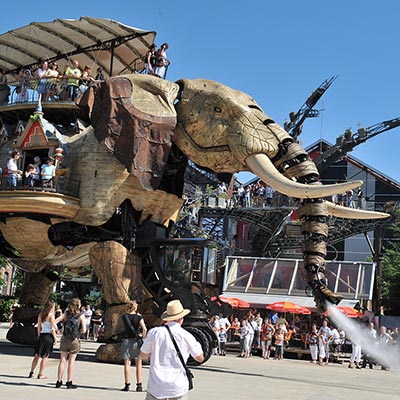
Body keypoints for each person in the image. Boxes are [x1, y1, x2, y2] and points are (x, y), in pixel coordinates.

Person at [140, 300, 204, 399]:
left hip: (156, 385)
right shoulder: (186, 336)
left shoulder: (154, 333)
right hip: (177, 385)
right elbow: (200, 358)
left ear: (167, 318)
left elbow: (143, 355)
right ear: (181, 319)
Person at [55, 297, 86, 389]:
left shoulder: (66, 314)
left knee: (62, 361)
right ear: (78, 306)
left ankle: (58, 381)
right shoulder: (81, 315)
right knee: (71, 362)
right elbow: (84, 330)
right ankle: (69, 382)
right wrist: (78, 332)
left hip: (64, 339)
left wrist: (58, 331)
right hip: (74, 340)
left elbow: (54, 321)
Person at [120, 300, 147, 392]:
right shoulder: (139, 317)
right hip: (136, 341)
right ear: (135, 307)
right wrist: (142, 336)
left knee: (127, 363)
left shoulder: (124, 317)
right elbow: (144, 329)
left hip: (126, 340)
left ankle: (127, 385)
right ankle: (139, 385)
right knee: (138, 363)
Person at [28, 300, 58, 379]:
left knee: (37, 355)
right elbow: (52, 328)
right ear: (51, 307)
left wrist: (39, 336)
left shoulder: (41, 315)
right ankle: (40, 374)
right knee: (45, 356)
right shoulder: (51, 315)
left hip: (41, 335)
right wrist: (55, 338)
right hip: (48, 336)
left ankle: (31, 372)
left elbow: (38, 327)